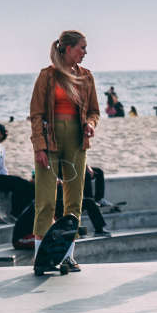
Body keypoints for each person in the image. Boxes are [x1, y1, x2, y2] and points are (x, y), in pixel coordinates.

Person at [28, 30, 101, 273]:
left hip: (76, 142)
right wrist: (39, 146)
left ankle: (68, 256)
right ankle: (40, 257)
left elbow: (94, 111)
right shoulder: (47, 76)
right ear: (68, 48)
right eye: (82, 47)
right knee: (46, 201)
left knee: (74, 202)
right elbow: (36, 114)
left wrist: (90, 124)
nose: (85, 52)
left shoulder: (86, 77)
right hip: (49, 143)